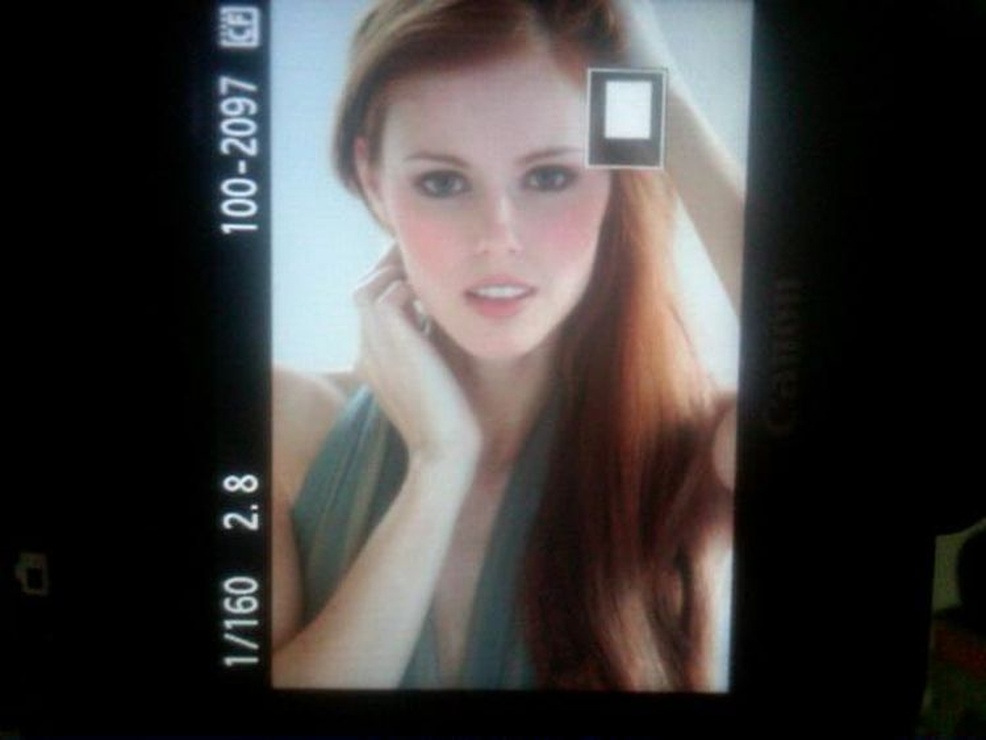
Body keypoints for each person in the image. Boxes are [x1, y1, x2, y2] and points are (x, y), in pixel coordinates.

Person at [271, 0, 743, 691]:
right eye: (442, 182)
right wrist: (439, 462)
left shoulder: (683, 450)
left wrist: (660, 90)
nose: (498, 237)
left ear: (614, 179)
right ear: (373, 180)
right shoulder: (284, 418)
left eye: (549, 176)